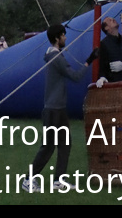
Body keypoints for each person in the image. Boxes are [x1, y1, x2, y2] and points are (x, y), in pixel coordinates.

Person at [22, 22, 87, 192]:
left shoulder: (55, 54)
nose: (66, 37)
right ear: (57, 38)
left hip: (59, 108)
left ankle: (58, 180)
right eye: (63, 35)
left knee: (65, 143)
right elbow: (76, 76)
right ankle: (28, 179)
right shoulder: (56, 57)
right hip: (53, 109)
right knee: (48, 146)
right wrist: (89, 61)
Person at [90, 13, 122, 81]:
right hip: (114, 83)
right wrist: (103, 77)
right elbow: (102, 66)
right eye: (109, 20)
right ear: (106, 28)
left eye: (112, 18)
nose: (113, 19)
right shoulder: (104, 44)